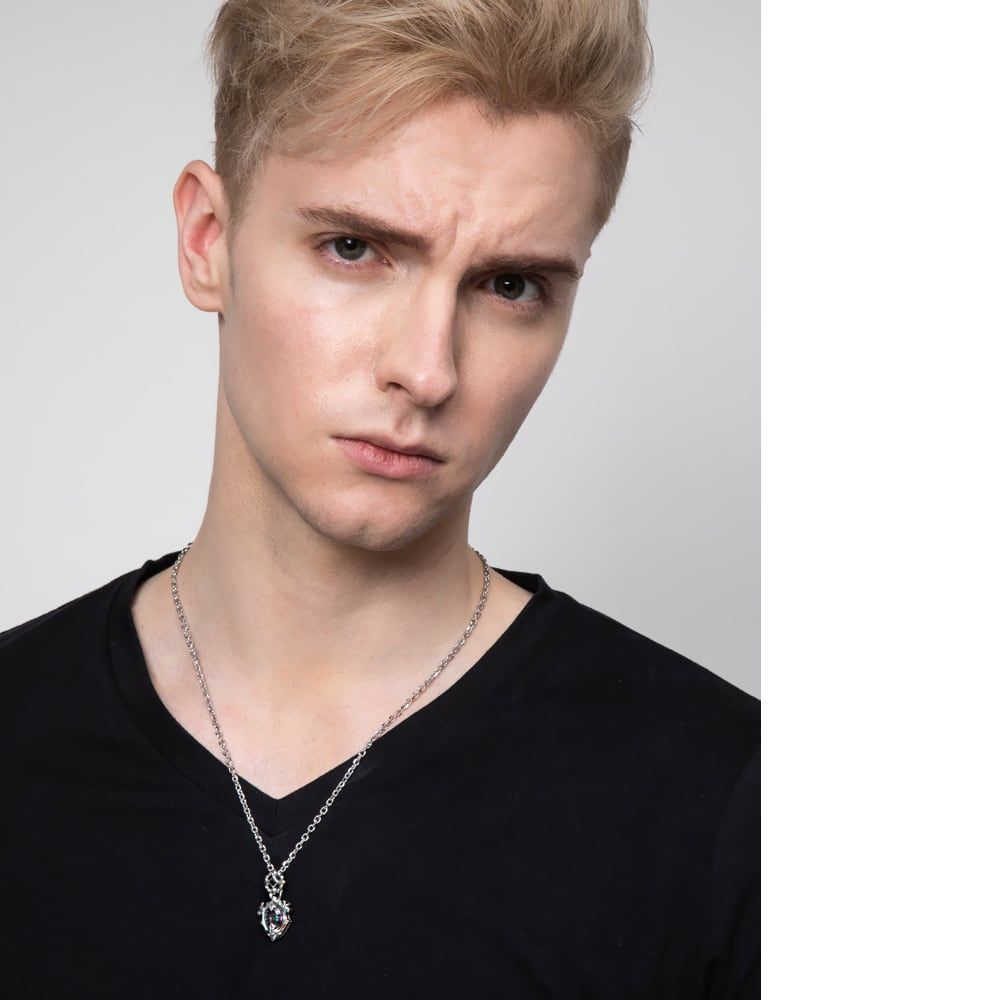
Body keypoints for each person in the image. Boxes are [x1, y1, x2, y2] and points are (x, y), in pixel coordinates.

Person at [1, 1, 759, 996]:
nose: (428, 370)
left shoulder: (730, 803)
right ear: (207, 240)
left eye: (511, 285)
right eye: (354, 249)